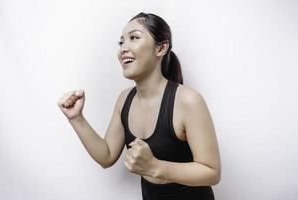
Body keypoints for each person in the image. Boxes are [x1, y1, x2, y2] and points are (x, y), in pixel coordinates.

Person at [57, 12, 221, 200]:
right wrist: (76, 118)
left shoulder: (188, 100)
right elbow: (107, 156)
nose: (123, 48)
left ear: (161, 48)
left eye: (134, 38)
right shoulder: (124, 99)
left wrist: (156, 168)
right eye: (121, 42)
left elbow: (212, 172)